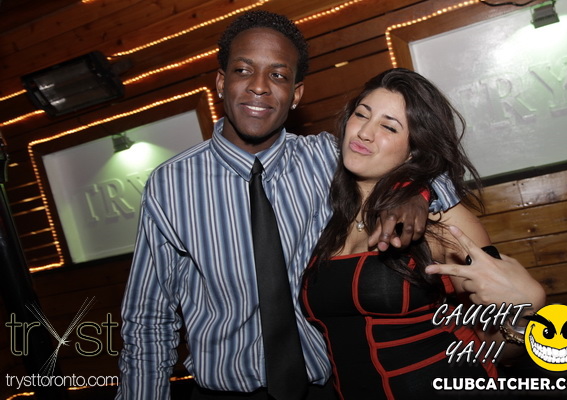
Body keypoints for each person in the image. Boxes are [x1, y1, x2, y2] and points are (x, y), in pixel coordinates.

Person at [116, 11, 460, 400]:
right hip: (224, 394)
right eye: (243, 70)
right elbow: (148, 320)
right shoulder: (170, 184)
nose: (259, 86)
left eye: (278, 75)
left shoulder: (329, 158)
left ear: (295, 95)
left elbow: (421, 158)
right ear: (221, 82)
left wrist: (414, 190)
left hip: (328, 389)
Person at [301, 68, 546, 399]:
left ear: (414, 150)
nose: (365, 132)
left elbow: (496, 346)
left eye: (389, 127)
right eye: (362, 115)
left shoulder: (444, 221)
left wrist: (524, 314)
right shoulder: (324, 216)